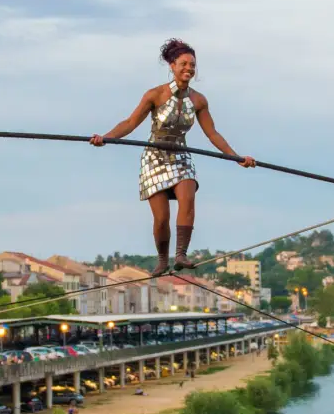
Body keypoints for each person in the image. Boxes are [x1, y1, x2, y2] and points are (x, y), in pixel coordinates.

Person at [90, 39, 255, 276]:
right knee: (161, 219)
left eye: (193, 65)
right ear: (172, 66)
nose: (189, 68)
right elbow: (129, 123)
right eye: (184, 64)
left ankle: (181, 255)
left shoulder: (199, 100)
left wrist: (236, 157)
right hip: (154, 158)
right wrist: (105, 138)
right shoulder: (155, 95)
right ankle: (162, 259)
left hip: (180, 156)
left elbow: (212, 133)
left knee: (187, 195)